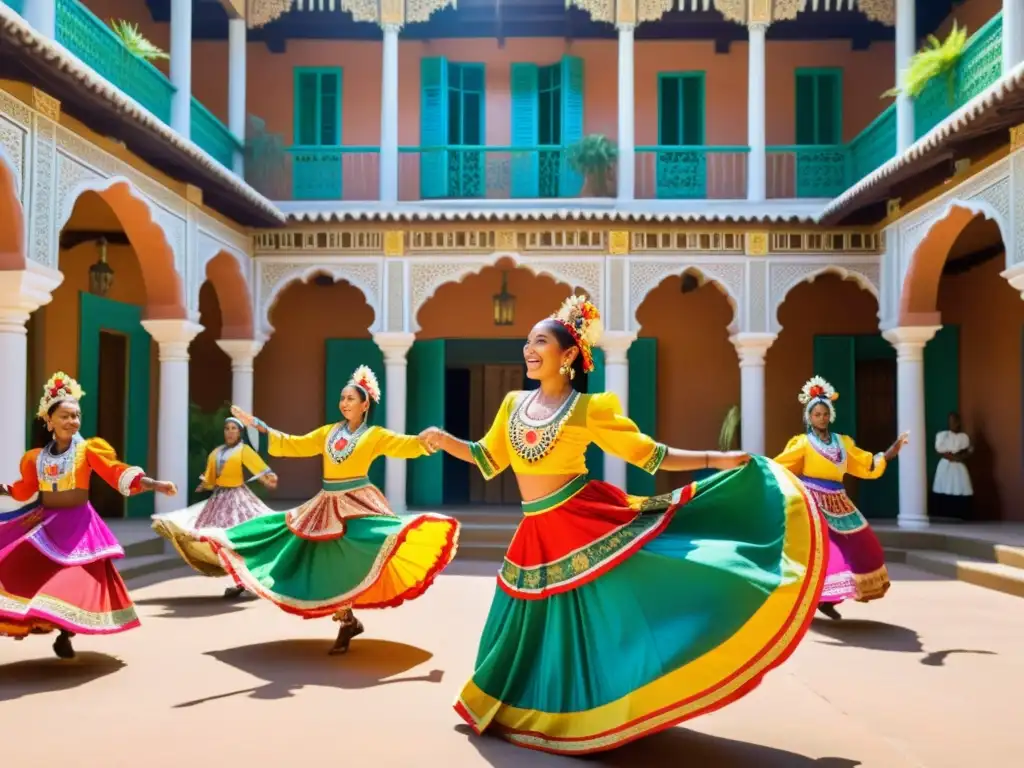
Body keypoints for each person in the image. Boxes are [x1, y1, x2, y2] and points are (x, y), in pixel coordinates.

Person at [419, 295, 828, 756]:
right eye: (526, 342)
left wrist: (717, 459)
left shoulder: (590, 409)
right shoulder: (513, 403)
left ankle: (595, 710)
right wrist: (445, 439)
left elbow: (650, 455)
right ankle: (515, 706)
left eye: (539, 341)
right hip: (535, 531)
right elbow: (487, 458)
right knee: (529, 623)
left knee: (597, 620)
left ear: (569, 355)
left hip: (582, 521)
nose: (528, 350)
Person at [213, 365, 460, 655]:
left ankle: (346, 621)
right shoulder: (328, 432)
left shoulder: (375, 435)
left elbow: (405, 445)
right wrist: (260, 426)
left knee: (363, 547)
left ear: (365, 404)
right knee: (319, 556)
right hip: (326, 503)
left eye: (351, 399)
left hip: (357, 501)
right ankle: (348, 620)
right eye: (342, 398)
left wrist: (429, 441)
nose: (344, 403)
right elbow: (296, 444)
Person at [0, 372, 177, 659]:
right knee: (27, 569)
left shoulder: (88, 450)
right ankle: (45, 621)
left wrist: (155, 484)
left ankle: (65, 634)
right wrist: (4, 490)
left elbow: (116, 471)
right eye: (66, 416)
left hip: (79, 525)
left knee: (73, 578)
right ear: (49, 420)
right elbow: (25, 489)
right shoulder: (36, 458)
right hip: (46, 522)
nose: (73, 422)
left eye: (76, 416)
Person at [774, 376, 909, 621]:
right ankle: (821, 598)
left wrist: (891, 451)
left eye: (825, 414)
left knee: (862, 542)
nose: (822, 418)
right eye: (816, 414)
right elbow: (778, 465)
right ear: (809, 417)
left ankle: (839, 594)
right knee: (825, 549)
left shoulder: (843, 443)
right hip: (813, 501)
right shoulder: (803, 443)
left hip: (839, 500)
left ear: (830, 415)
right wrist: (754, 466)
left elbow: (866, 463)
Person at [151, 416, 279, 598]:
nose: (230, 431)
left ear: (240, 432)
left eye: (234, 428)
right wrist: (204, 484)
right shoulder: (216, 453)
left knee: (239, 538)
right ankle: (241, 580)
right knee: (217, 539)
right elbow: (210, 477)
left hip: (238, 499)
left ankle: (249, 579)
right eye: (227, 428)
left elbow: (259, 468)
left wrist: (268, 477)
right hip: (219, 500)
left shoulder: (244, 450)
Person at [932, 411, 973, 520]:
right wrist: (951, 457)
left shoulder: (963, 437)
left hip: (959, 464)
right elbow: (938, 451)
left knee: (960, 486)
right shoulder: (942, 435)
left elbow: (968, 451)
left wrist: (959, 458)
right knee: (944, 486)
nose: (953, 423)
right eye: (951, 421)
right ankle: (944, 515)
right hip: (946, 464)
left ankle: (961, 515)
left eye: (955, 421)